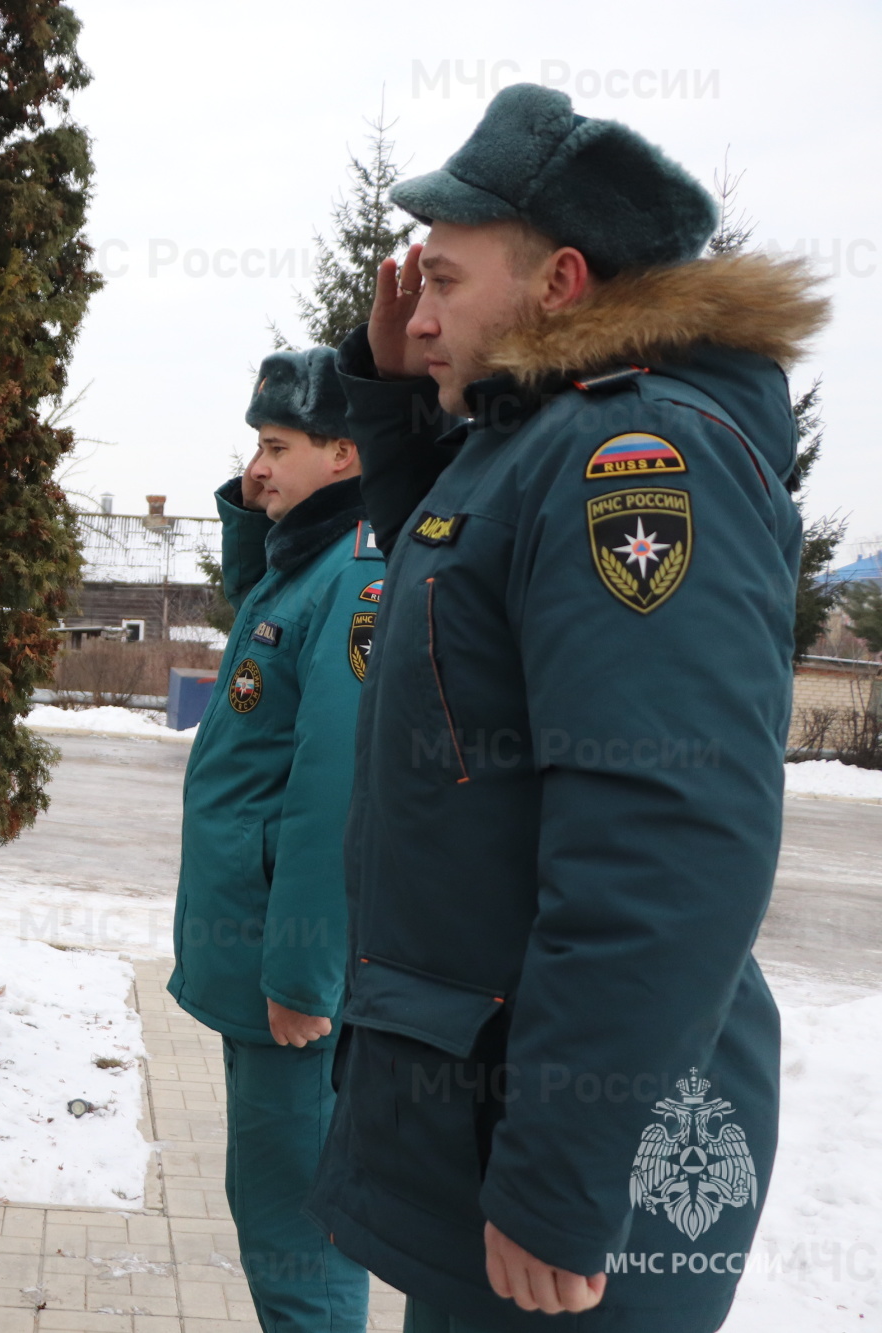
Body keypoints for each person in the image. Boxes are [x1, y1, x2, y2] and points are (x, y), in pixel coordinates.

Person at [304, 83, 829, 1333]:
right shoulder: (534, 442)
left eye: (442, 281)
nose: (415, 313)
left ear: (558, 285)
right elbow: (454, 573)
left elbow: (665, 835)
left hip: (572, 1158)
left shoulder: (636, 456)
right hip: (495, 1127)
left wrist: (560, 1170)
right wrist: (388, 393)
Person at [171, 346, 382, 1332]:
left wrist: (303, 976)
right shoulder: (300, 568)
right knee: (272, 1214)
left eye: (273, 445)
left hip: (283, 982)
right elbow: (248, 585)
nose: (253, 467)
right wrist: (253, 499)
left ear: (344, 452)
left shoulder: (352, 576)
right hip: (254, 966)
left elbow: (334, 792)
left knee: (294, 1234)